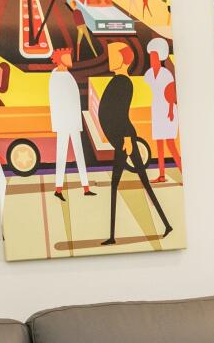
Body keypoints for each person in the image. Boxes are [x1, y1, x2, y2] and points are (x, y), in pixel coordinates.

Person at [98, 40, 171, 246]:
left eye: (113, 55)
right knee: (136, 182)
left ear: (123, 58)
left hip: (124, 138)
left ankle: (163, 225)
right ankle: (165, 225)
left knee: (123, 183)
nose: (109, 58)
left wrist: (128, 140)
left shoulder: (123, 82)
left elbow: (121, 113)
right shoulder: (117, 81)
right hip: (122, 138)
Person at [48, 47, 92, 201]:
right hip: (64, 122)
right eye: (67, 57)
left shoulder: (67, 75)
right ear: (60, 59)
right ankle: (58, 188)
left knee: (79, 153)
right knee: (61, 155)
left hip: (72, 121)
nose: (70, 59)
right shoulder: (56, 77)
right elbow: (56, 101)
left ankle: (85, 187)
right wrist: (60, 122)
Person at [145, 36, 177, 182]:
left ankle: (185, 172)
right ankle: (162, 175)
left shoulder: (166, 74)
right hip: (156, 110)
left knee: (171, 145)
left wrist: (170, 110)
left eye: (154, 57)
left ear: (160, 58)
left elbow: (171, 94)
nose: (152, 59)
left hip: (167, 110)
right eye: (151, 57)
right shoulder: (149, 74)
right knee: (159, 145)